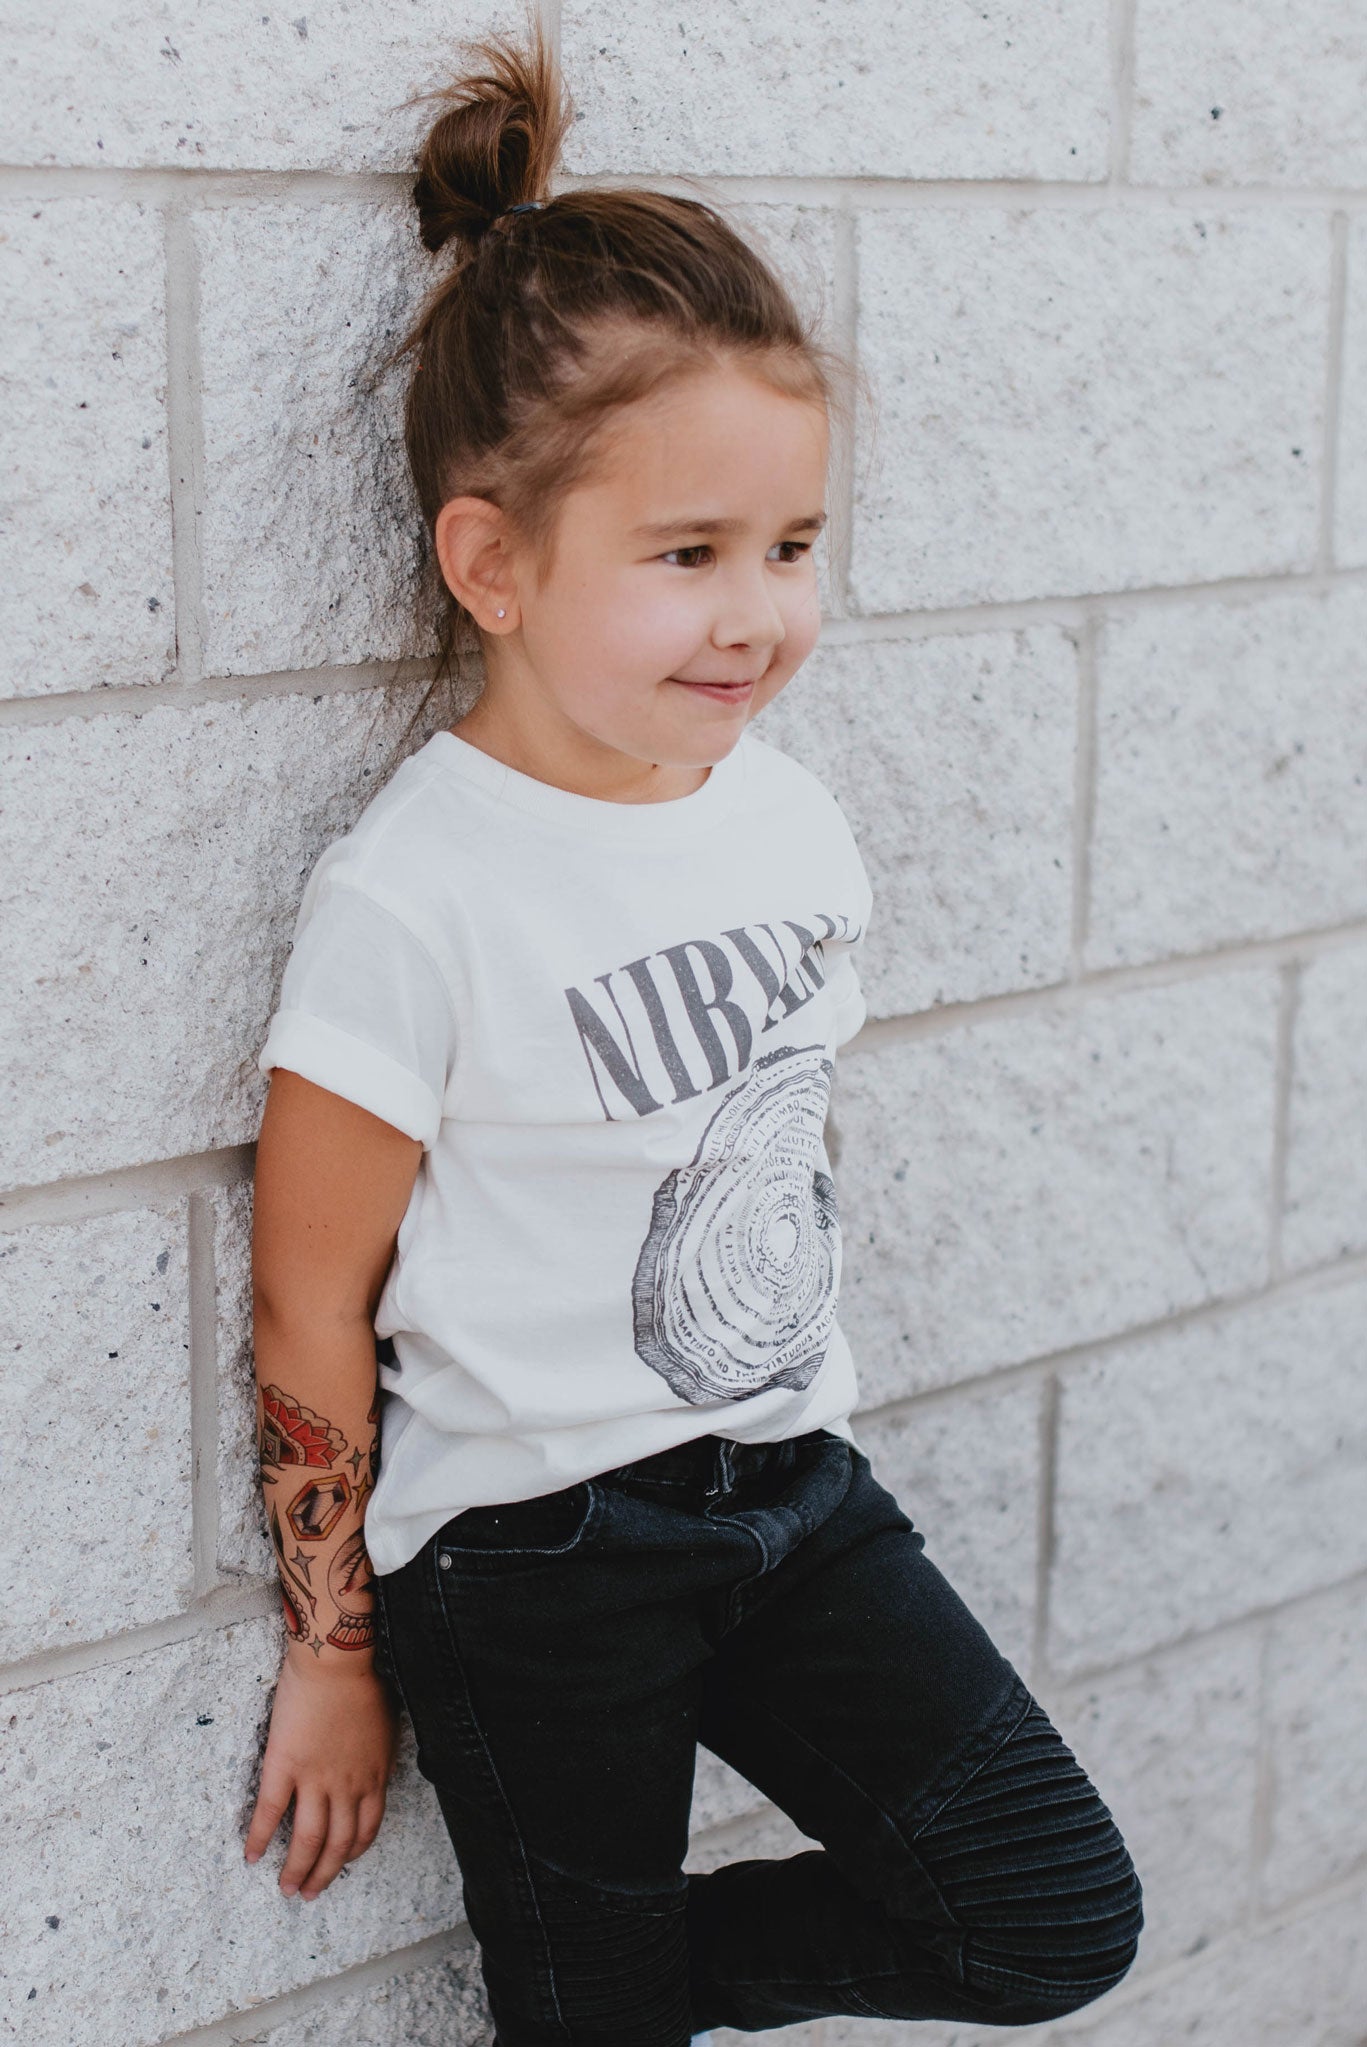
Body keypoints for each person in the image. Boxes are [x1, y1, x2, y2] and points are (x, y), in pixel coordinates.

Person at [241, 26, 1143, 2043]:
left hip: (790, 1495)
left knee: (1049, 1914)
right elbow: (311, 1304)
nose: (757, 614)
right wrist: (336, 1648)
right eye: (686, 556)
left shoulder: (789, 811)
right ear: (495, 562)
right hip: (540, 1563)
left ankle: (629, 1985)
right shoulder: (419, 891)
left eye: (792, 547)